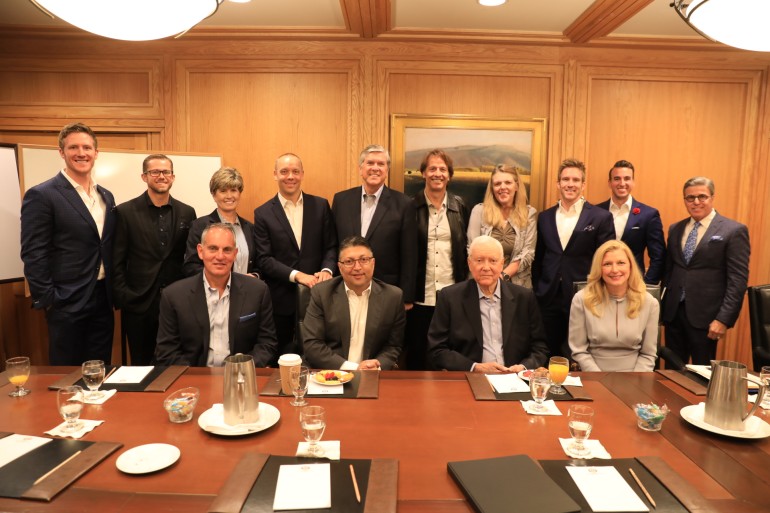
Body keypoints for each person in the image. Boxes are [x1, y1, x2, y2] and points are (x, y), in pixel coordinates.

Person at [20, 122, 116, 365]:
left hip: (103, 298)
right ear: (61, 152)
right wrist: (50, 299)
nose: (81, 153)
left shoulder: (105, 195)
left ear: (96, 152)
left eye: (87, 147)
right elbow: (33, 253)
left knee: (99, 370)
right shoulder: (42, 195)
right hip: (66, 300)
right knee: (66, 374)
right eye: (73, 147)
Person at [112, 154, 196, 365]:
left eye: (166, 171)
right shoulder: (124, 212)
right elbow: (116, 261)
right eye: (155, 172)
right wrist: (125, 296)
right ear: (144, 176)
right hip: (139, 304)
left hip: (178, 302)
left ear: (173, 176)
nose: (161, 176)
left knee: (176, 363)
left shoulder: (187, 212)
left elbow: (190, 258)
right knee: (141, 364)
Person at [155, 223, 277, 367]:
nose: (220, 256)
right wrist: (200, 378)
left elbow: (267, 344)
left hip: (242, 378)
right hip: (193, 379)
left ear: (235, 253)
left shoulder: (258, 291)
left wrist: (241, 369)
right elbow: (167, 351)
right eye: (213, 248)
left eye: (227, 250)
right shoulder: (174, 295)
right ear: (200, 251)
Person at [253, 153, 337, 360]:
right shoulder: (263, 213)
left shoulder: (320, 205)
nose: (290, 176)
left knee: (318, 356)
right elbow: (264, 259)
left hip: (319, 295)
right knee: (282, 356)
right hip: (280, 300)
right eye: (284, 171)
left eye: (295, 171)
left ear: (302, 174)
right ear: (275, 175)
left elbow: (331, 246)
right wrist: (298, 275)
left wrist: (327, 270)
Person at [661, 177, 750, 365]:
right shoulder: (676, 229)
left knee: (702, 377)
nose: (696, 202)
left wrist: (723, 319)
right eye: (690, 198)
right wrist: (662, 310)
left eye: (702, 197)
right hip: (674, 314)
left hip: (707, 319)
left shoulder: (733, 230)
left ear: (712, 197)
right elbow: (669, 271)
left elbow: (738, 281)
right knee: (671, 373)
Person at [427, 236, 548, 373]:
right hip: (470, 377)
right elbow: (437, 350)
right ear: (469, 263)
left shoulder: (524, 298)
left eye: (493, 261)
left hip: (515, 378)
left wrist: (523, 368)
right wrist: (475, 367)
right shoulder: (449, 297)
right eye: (479, 260)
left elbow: (540, 347)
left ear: (502, 264)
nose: (486, 267)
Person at [532, 158, 614, 358]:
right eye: (565, 179)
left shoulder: (600, 217)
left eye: (576, 180)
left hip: (583, 295)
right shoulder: (545, 217)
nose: (570, 184)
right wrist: (538, 289)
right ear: (558, 184)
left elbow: (605, 259)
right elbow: (539, 258)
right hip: (548, 296)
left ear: (583, 184)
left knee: (576, 354)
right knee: (546, 352)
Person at [405, 149, 469, 370]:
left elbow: (465, 251)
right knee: (417, 355)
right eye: (432, 168)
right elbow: (403, 252)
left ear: (449, 175)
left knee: (450, 357)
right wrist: (406, 295)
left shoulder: (460, 206)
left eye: (443, 169)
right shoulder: (409, 206)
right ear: (423, 173)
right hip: (419, 297)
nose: (437, 173)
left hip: (452, 295)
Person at [302, 236, 405, 371]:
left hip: (372, 375)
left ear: (373, 263)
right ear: (339, 267)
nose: (357, 267)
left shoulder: (393, 297)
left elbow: (393, 346)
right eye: (349, 261)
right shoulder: (322, 293)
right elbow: (312, 345)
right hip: (331, 373)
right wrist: (354, 368)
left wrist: (376, 366)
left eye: (363, 260)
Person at [332, 144, 417, 307]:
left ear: (387, 169)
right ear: (360, 168)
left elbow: (409, 254)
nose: (375, 168)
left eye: (381, 164)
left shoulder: (404, 204)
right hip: (345, 288)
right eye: (370, 163)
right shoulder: (341, 200)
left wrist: (406, 297)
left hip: (386, 290)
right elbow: (332, 244)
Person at [568, 240, 659, 372]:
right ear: (599, 268)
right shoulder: (581, 300)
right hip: (593, 376)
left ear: (630, 266)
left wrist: (635, 381)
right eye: (607, 264)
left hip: (636, 378)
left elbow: (648, 354)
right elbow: (579, 351)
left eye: (621, 263)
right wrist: (599, 380)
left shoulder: (650, 303)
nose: (615, 270)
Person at [467, 164, 537, 288]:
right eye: (497, 184)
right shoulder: (479, 211)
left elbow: (528, 253)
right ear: (492, 188)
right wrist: (491, 278)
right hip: (483, 284)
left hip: (518, 286)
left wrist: (502, 276)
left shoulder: (529, 213)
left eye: (508, 182)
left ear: (516, 186)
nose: (502, 187)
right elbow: (472, 249)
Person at [596, 160, 665, 285]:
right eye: (617, 178)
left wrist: (647, 285)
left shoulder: (648, 215)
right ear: (609, 183)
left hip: (634, 285)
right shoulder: (595, 212)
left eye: (627, 178)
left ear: (633, 182)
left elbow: (658, 256)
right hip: (600, 283)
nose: (622, 183)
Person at [184, 167, 258, 277]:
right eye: (223, 191)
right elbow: (191, 267)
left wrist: (256, 276)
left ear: (239, 193)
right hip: (213, 292)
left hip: (246, 291)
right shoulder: (200, 226)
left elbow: (259, 263)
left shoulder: (250, 228)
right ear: (214, 195)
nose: (229, 196)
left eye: (233, 190)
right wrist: (227, 279)